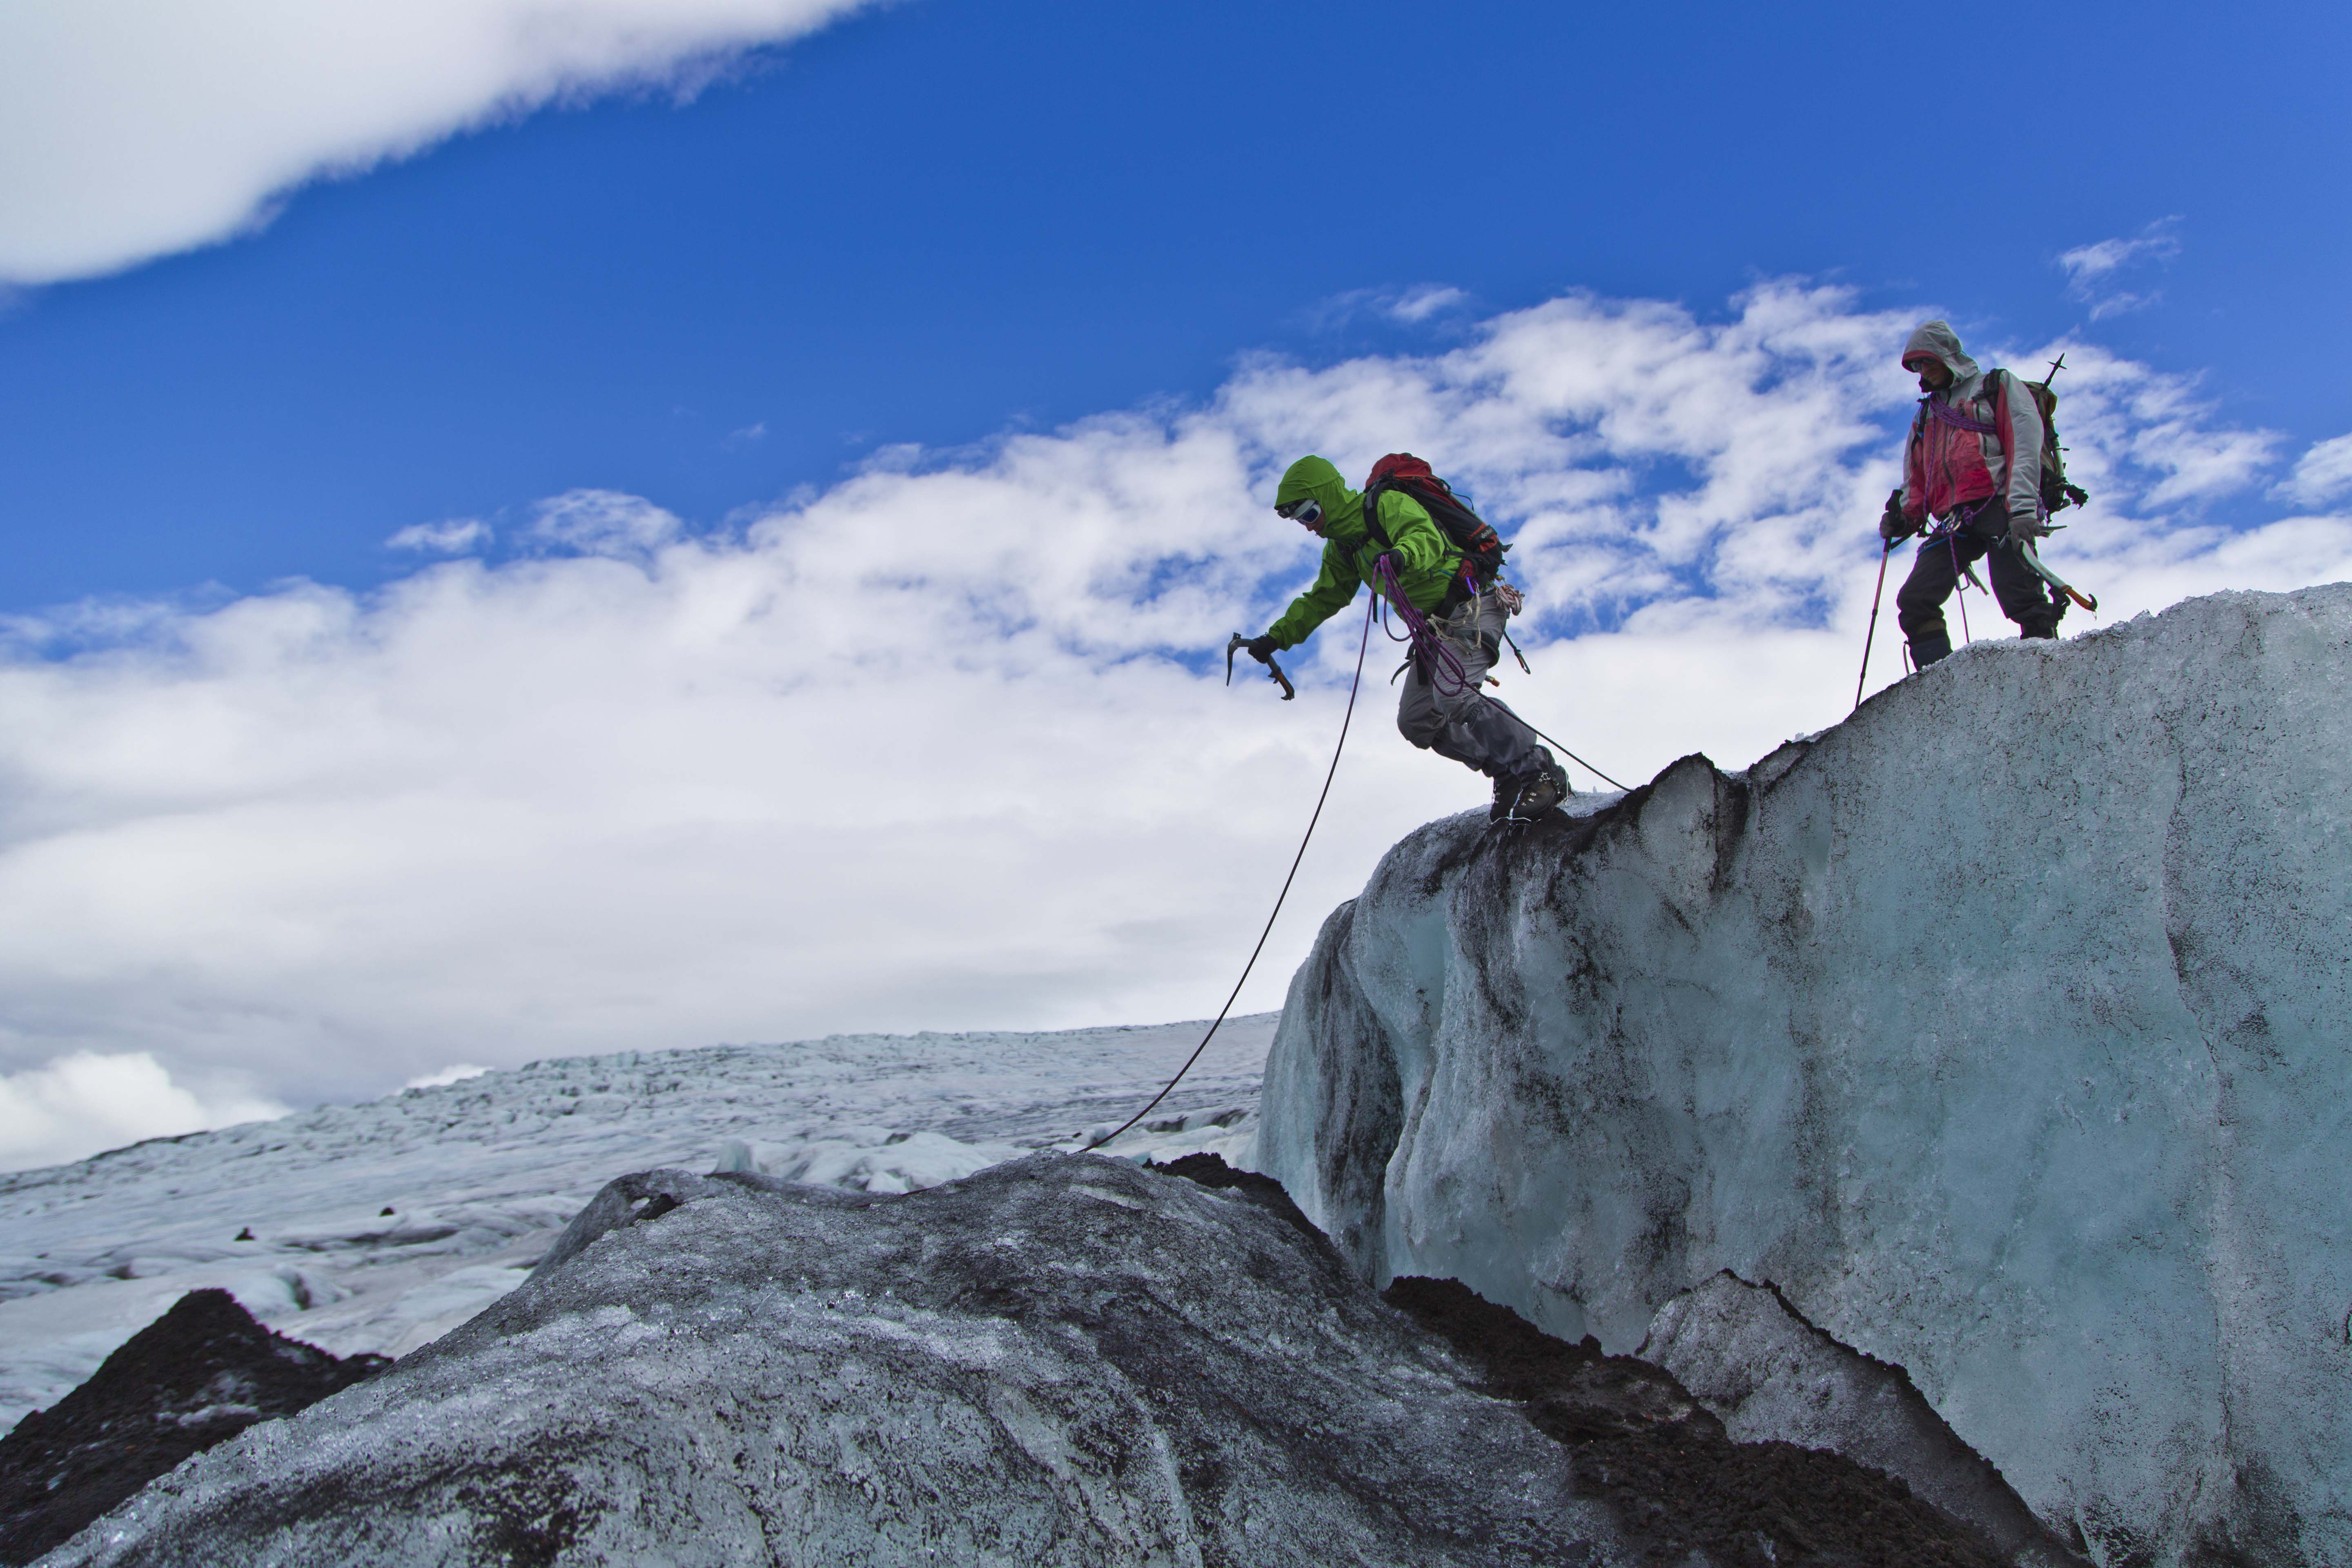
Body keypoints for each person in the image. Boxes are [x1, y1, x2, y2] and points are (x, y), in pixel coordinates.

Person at [1238, 454, 1566, 821]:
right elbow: (1323, 598)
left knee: (1455, 695)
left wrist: (1402, 556)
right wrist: (1276, 637)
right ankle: (1503, 769)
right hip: (1433, 631)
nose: (1308, 527)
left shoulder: (1385, 505)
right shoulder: (1343, 549)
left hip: (1472, 605)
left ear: (1327, 496)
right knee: (1417, 720)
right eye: (1300, 520)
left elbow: (1423, 537)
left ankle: (1539, 772)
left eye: (1310, 514)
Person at [1880, 321, 2067, 666]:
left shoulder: (1996, 386)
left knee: (2020, 594)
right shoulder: (1926, 414)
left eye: (1928, 361)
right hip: (1953, 520)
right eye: (1917, 366)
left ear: (1946, 356)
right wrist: (1904, 517)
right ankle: (1938, 688)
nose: (1923, 371)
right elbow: (1916, 476)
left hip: (2000, 503)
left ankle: (2047, 670)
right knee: (1916, 599)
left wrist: (2023, 510)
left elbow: (2024, 446)